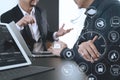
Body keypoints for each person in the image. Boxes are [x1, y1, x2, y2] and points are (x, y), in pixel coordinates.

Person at [49, 0, 120, 79]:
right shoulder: (93, 12)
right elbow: (78, 47)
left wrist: (64, 51)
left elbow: (95, 58)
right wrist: (80, 48)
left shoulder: (112, 9)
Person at [0, 0, 72, 52]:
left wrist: (56, 34)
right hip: (23, 62)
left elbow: (45, 34)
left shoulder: (41, 12)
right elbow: (4, 41)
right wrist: (18, 25)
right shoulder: (6, 16)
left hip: (44, 59)